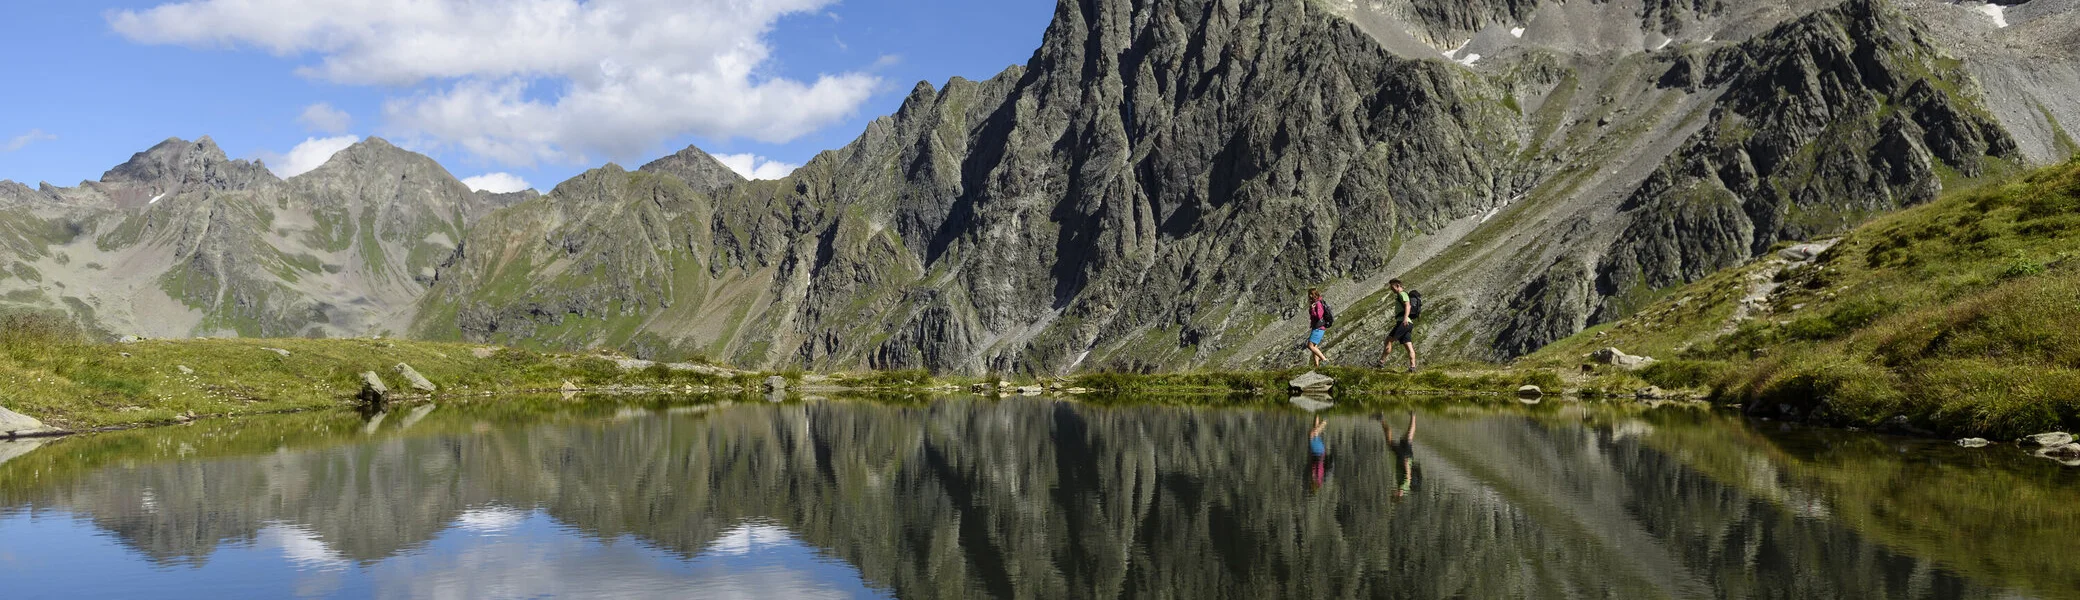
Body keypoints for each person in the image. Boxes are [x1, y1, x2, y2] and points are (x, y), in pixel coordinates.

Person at [1379, 279, 1418, 372]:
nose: (1391, 289)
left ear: (1397, 285)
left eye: (1392, 287)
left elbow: (1408, 306)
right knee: (1408, 345)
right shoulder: (1402, 295)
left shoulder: (1402, 294)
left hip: (1403, 322)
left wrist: (1405, 318)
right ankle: (1412, 367)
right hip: (1408, 323)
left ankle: (1381, 362)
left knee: (1389, 340)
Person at [1381, 412, 1417, 501]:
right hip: (1404, 458)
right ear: (1398, 495)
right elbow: (1408, 477)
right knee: (1390, 442)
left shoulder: (1404, 488)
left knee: (1407, 438)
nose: (1392, 492)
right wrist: (1406, 464)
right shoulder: (1402, 487)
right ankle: (1381, 419)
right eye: (1393, 494)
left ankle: (1413, 415)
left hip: (1407, 457)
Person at [1306, 288, 1333, 368]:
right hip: (1317, 327)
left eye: (1310, 294)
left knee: (1310, 346)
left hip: (1319, 327)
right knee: (1314, 347)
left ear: (1314, 294)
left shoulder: (1318, 303)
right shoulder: (1315, 303)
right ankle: (1316, 366)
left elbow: (1319, 316)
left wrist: (1313, 309)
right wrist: (1311, 309)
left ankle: (1324, 360)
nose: (1309, 296)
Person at [1306, 415, 1330, 491]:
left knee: (1315, 431)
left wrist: (1313, 474)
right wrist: (1313, 474)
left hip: (1315, 452)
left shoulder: (1316, 478)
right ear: (1314, 485)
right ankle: (1325, 422)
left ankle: (1317, 414)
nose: (1310, 483)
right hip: (1318, 452)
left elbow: (1313, 465)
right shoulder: (1319, 477)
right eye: (1311, 485)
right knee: (1313, 433)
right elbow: (1319, 465)